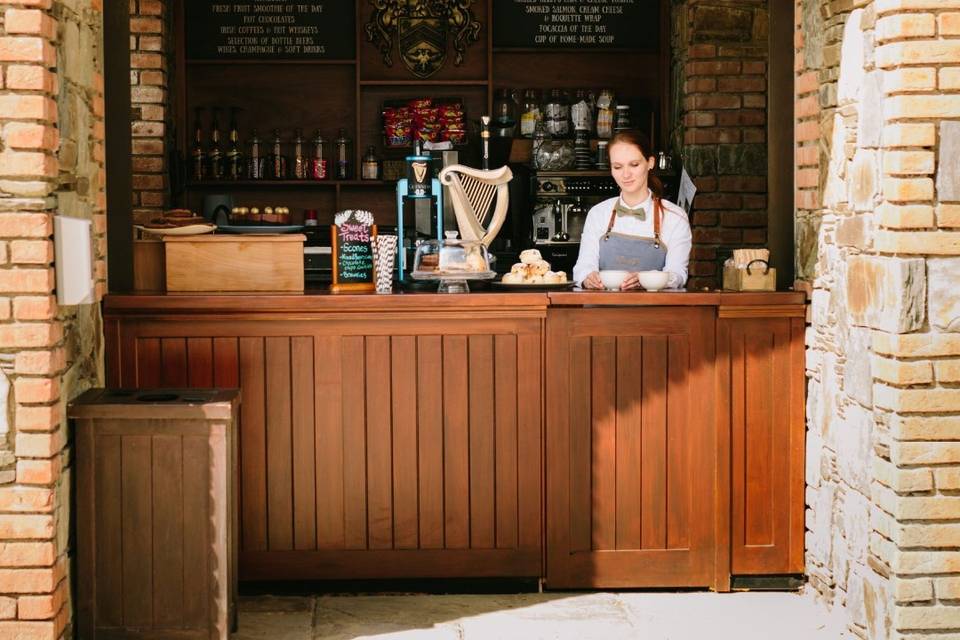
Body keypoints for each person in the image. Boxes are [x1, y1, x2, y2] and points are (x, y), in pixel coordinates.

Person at [572, 130, 692, 290]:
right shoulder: (598, 214)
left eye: (634, 165)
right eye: (618, 167)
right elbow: (583, 267)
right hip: (601, 311)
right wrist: (587, 278)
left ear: (650, 162)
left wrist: (648, 279)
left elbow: (678, 274)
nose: (626, 174)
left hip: (655, 313)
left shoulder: (675, 217)